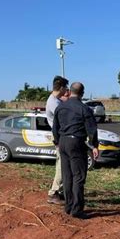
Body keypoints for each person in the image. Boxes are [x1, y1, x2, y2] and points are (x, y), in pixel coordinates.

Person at [52, 82, 99, 219]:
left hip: (63, 142)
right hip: (76, 142)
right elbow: (92, 129)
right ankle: (77, 209)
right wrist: (94, 145)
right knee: (78, 176)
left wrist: (57, 142)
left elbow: (55, 127)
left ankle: (68, 205)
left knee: (67, 176)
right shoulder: (84, 109)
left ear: (69, 91)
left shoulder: (60, 107)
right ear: (82, 93)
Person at [46, 75, 69, 205]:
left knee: (61, 164)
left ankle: (58, 191)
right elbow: (63, 119)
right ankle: (54, 192)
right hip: (59, 137)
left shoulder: (56, 100)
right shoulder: (54, 103)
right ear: (60, 87)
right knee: (61, 165)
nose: (66, 90)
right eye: (65, 87)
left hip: (60, 136)